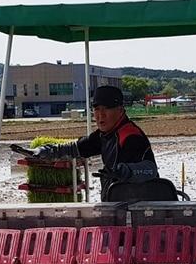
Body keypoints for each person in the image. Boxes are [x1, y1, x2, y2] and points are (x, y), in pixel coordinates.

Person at [18, 85, 160, 201]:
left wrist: (128, 171)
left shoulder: (130, 136)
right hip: (116, 201)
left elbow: (150, 170)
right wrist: (44, 151)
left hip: (142, 206)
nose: (100, 115)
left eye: (107, 108)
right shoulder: (103, 135)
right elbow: (75, 148)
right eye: (97, 109)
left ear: (120, 110)